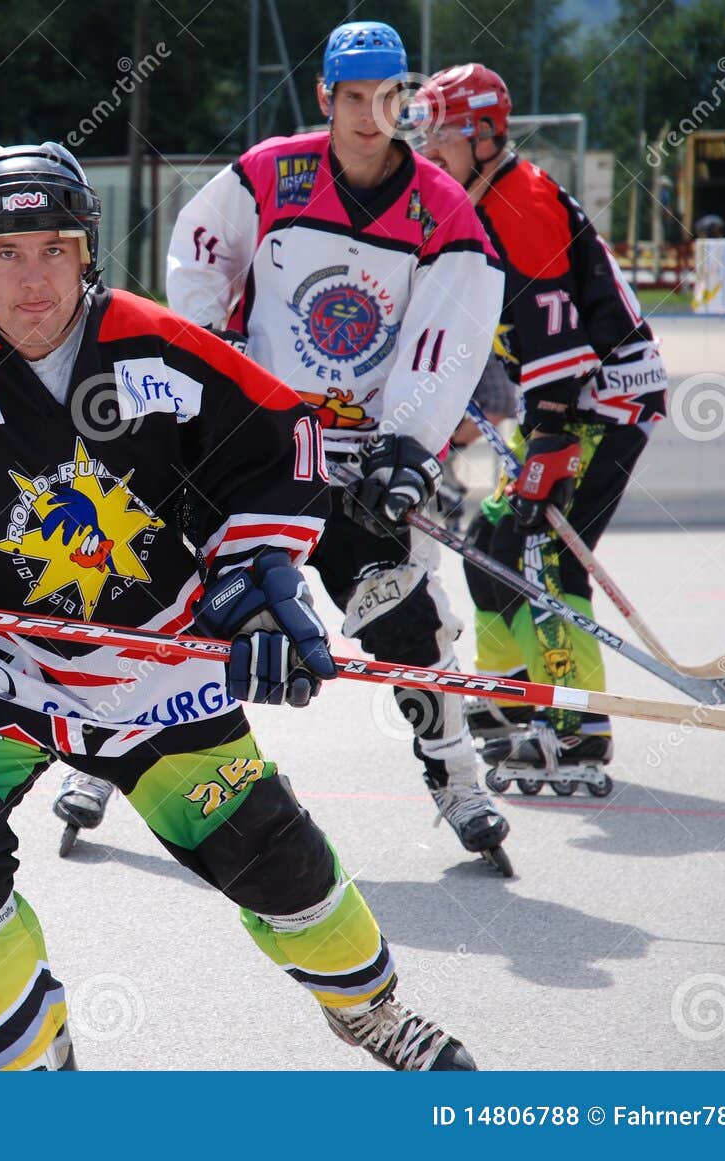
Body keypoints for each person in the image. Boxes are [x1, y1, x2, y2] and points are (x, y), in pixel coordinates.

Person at [0, 140, 477, 1070]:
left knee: (271, 855)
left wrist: (255, 591)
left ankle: (372, 1011)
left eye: (55, 250)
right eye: (7, 256)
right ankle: (32, 1065)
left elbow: (285, 451)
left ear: (87, 253)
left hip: (160, 667)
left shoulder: (158, 348)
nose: (34, 283)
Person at [161, 22, 510, 870]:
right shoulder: (269, 172)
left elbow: (448, 331)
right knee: (184, 597)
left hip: (359, 461)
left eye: (384, 97)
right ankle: (110, 771)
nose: (366, 114)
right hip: (265, 449)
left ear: (406, 100)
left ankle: (458, 778)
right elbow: (199, 255)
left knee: (408, 618)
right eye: (350, 97)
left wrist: (407, 443)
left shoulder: (443, 208)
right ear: (325, 97)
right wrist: (220, 370)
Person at [414, 64, 666, 791]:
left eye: (443, 136)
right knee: (490, 545)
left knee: (544, 555)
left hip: (601, 401)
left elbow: (557, 339)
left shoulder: (520, 201)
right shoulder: (480, 200)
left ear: (485, 136)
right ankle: (508, 704)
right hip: (557, 404)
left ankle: (575, 724)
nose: (430, 150)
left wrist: (549, 442)